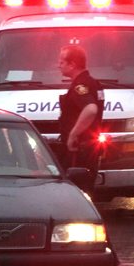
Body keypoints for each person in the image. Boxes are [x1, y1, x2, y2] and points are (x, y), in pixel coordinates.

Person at [58, 45, 104, 193]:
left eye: (62, 62)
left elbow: (91, 109)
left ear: (72, 64)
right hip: (89, 148)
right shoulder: (93, 83)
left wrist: (73, 134)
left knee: (76, 193)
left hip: (79, 151)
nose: (58, 65)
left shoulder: (80, 86)